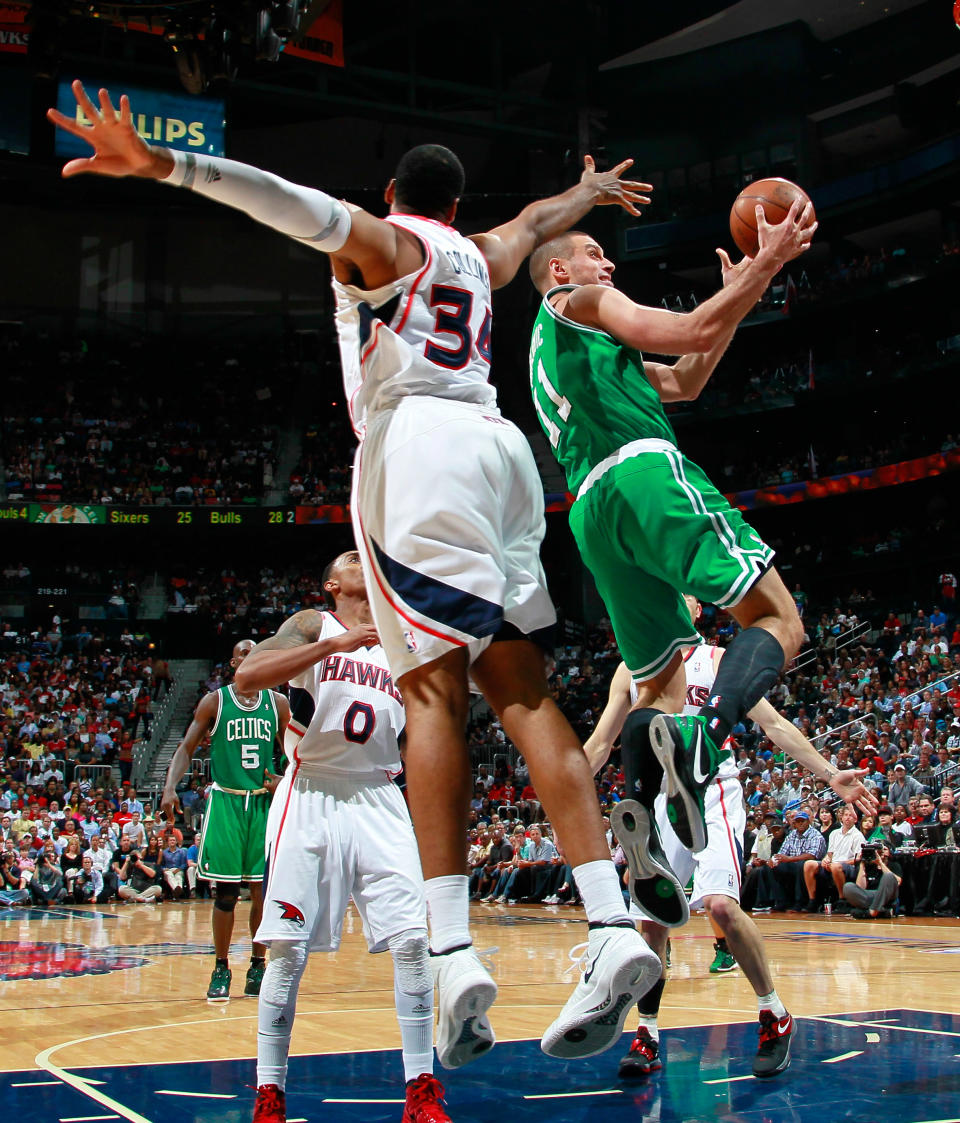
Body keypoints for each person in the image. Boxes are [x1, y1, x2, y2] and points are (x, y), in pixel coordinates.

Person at [50, 81, 662, 1061]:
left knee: (429, 693)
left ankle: (457, 949)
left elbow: (287, 200)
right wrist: (582, 193)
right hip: (498, 451)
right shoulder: (482, 253)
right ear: (457, 208)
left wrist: (167, 162)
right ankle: (608, 923)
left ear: (394, 194)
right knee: (521, 686)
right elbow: (532, 221)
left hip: (412, 448)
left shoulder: (390, 245)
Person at [527, 212, 816, 873]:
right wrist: (765, 267)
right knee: (778, 618)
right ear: (559, 272)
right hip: (643, 473)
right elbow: (691, 328)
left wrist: (735, 299)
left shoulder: (560, 353)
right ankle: (704, 747)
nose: (609, 266)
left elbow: (686, 377)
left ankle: (644, 829)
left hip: (592, 513)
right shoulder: (583, 302)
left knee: (659, 685)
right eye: (596, 253)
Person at [586, 595, 875, 1079]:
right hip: (660, 795)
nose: (673, 599)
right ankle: (648, 1034)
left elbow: (773, 724)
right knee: (653, 922)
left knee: (720, 905)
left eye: (684, 594)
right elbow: (599, 743)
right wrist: (565, 797)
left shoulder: (719, 661)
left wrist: (829, 775)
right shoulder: (632, 667)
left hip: (715, 787)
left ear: (696, 611)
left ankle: (775, 1014)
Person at [234, 550, 448, 1123]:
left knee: (410, 941)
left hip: (380, 794)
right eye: (349, 558)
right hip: (312, 791)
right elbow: (246, 677)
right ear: (331, 584)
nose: (360, 557)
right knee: (287, 949)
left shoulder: (404, 636)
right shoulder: (312, 625)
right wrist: (334, 645)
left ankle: (421, 1091)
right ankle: (270, 1092)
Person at [161, 639, 289, 1001]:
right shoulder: (216, 701)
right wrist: (171, 786)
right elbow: (186, 747)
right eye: (243, 654)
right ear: (233, 663)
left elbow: (297, 751)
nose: (250, 659)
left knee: (262, 892)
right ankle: (220, 967)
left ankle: (257, 964)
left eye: (257, 654)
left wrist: (285, 779)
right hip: (226, 803)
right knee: (227, 895)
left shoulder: (277, 704)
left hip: (263, 804)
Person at [843, 840, 903, 918]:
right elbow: (860, 887)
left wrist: (880, 863)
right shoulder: (868, 865)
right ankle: (882, 911)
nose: (881, 852)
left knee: (889, 876)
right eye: (878, 850)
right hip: (870, 896)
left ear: (889, 852)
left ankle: (872, 911)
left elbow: (898, 882)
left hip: (887, 897)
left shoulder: (894, 865)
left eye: (884, 849)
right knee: (848, 887)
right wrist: (862, 864)